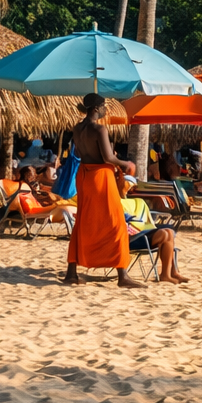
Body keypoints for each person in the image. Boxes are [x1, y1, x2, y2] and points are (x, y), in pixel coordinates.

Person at [64, 93, 143, 288]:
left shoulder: (77, 128)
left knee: (84, 220)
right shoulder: (100, 129)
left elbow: (81, 153)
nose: (106, 110)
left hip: (84, 175)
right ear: (95, 108)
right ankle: (122, 275)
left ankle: (71, 272)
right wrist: (125, 163)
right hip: (100, 176)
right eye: (104, 106)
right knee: (115, 222)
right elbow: (108, 157)